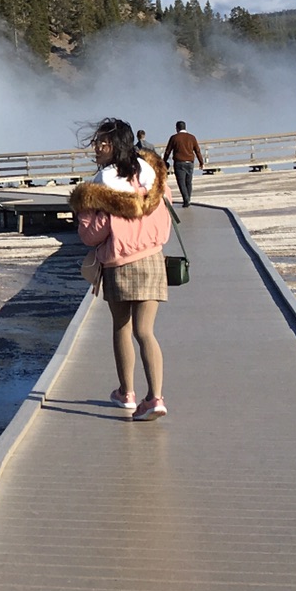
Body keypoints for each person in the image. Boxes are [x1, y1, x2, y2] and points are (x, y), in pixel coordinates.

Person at [70, 116, 173, 421]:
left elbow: (92, 235)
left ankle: (126, 393)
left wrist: (86, 212)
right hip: (153, 259)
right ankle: (155, 398)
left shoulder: (102, 184)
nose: (95, 148)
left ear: (113, 146)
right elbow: (166, 214)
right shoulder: (152, 177)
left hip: (119, 262)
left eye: (100, 143)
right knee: (146, 331)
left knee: (122, 327)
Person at [162, 120, 206, 208]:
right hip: (190, 162)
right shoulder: (192, 137)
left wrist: (163, 162)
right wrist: (201, 162)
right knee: (188, 182)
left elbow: (167, 151)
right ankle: (188, 199)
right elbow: (197, 150)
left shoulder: (174, 138)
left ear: (177, 128)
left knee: (181, 182)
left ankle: (186, 199)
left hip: (179, 163)